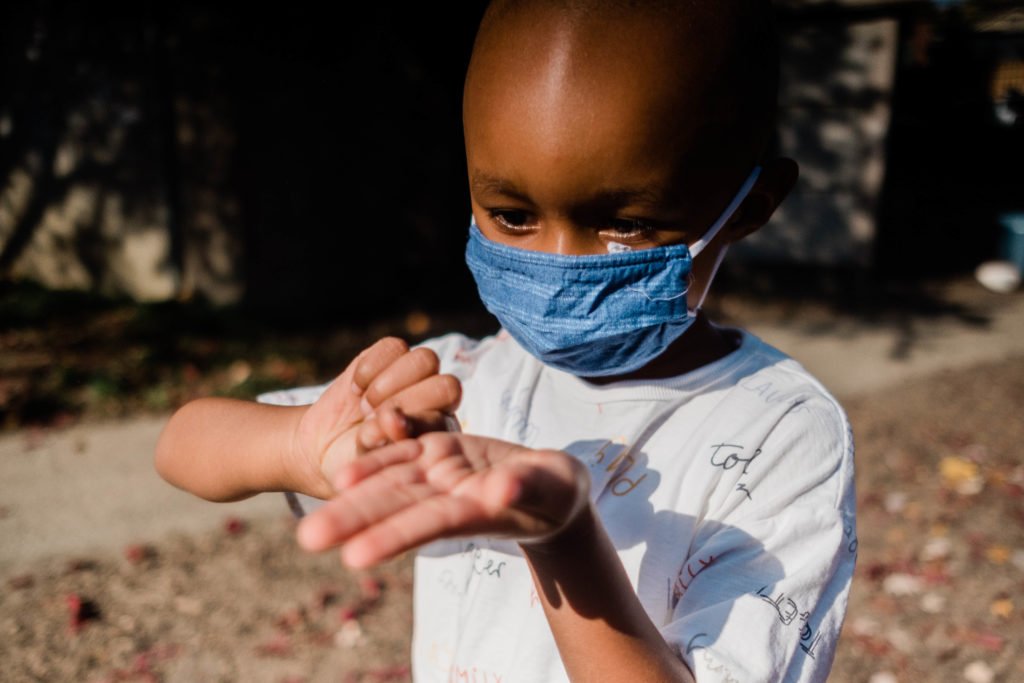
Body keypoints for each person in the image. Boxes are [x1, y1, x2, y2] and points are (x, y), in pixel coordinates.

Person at [155, 1, 857, 681]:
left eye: (628, 222)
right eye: (513, 214)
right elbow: (181, 445)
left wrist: (562, 535)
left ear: (752, 206)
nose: (559, 260)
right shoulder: (462, 380)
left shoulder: (782, 435)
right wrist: (302, 447)